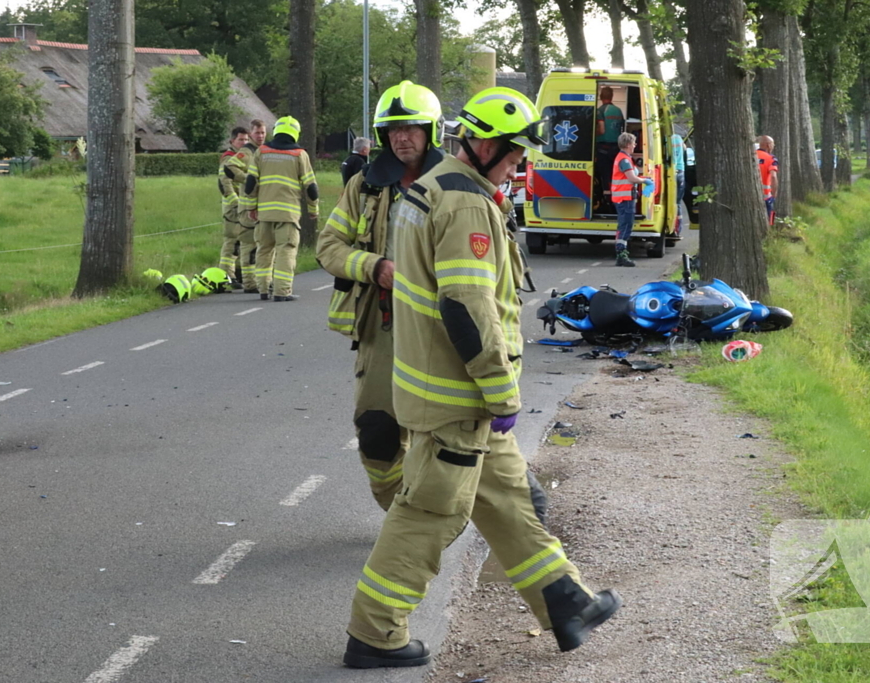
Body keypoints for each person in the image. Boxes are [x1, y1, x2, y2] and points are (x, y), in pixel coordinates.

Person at [342, 86, 622, 670]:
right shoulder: (465, 203)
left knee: (508, 499)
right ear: (488, 143)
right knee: (430, 514)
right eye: (517, 154)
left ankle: (565, 603)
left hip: (443, 389)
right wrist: (500, 390)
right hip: (459, 395)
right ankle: (375, 633)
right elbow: (466, 308)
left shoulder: (433, 188)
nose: (521, 165)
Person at [316, 82, 447, 509]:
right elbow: (328, 246)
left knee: (446, 435)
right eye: (392, 129)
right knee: (377, 431)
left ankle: (429, 521)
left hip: (444, 330)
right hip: (383, 326)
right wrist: (376, 268)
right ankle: (398, 512)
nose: (400, 137)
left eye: (410, 127)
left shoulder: (457, 185)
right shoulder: (365, 186)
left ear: (432, 132)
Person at [240, 116, 319, 301]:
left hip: (264, 214)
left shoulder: (261, 152)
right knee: (286, 251)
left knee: (264, 250)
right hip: (288, 214)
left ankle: (263, 290)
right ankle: (282, 292)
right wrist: (313, 209)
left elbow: (251, 183)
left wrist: (251, 207)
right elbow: (311, 187)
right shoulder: (299, 154)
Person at [225, 119, 268, 293]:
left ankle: (261, 280)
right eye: (257, 133)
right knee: (248, 246)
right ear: (251, 134)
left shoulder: (263, 152)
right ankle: (250, 283)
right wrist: (249, 179)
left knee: (261, 245)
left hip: (262, 206)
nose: (261, 136)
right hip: (247, 206)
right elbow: (230, 167)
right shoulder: (245, 152)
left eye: (263, 132)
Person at [217, 126, 250, 288]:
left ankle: (235, 273)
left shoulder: (242, 157)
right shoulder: (228, 158)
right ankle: (226, 275)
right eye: (241, 140)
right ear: (232, 141)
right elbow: (224, 182)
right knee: (232, 242)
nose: (244, 143)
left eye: (246, 139)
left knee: (241, 241)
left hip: (243, 204)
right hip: (233, 206)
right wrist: (235, 203)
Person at [611, 132, 649, 267]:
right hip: (624, 198)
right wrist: (645, 181)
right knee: (625, 226)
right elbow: (631, 178)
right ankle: (621, 255)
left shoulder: (624, 157)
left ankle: (621, 254)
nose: (635, 145)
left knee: (623, 225)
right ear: (628, 144)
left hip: (623, 197)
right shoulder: (624, 160)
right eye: (633, 143)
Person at [594, 86, 625, 205]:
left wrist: (592, 133)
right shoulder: (618, 111)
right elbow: (622, 129)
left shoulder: (600, 111)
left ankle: (607, 201)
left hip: (603, 148)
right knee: (615, 174)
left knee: (604, 175)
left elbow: (601, 130)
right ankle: (617, 198)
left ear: (601, 97)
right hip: (616, 148)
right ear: (611, 96)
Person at [756, 135, 778, 226]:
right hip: (765, 197)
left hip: (749, 196)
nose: (773, 146)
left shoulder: (750, 155)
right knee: (768, 222)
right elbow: (773, 176)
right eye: (773, 144)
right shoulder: (770, 158)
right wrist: (774, 195)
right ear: (768, 145)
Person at [670, 132, 686, 235]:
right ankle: (677, 229)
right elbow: (684, 149)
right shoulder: (679, 138)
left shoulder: (666, 139)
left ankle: (670, 226)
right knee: (678, 202)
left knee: (669, 201)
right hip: (681, 171)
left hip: (672, 171)